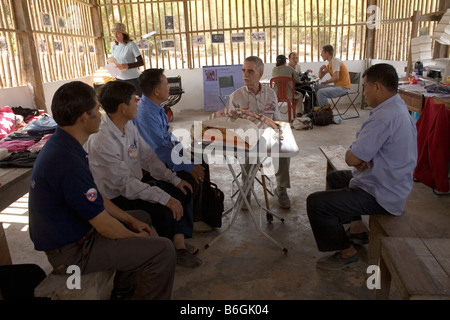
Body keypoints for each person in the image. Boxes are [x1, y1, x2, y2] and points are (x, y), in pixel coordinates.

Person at [28, 81, 176, 300]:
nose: (100, 114)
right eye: (97, 110)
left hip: (80, 236)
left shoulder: (65, 144)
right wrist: (136, 238)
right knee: (162, 250)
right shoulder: (67, 161)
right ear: (83, 117)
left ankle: (123, 291)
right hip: (73, 255)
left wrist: (130, 221)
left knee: (140, 217)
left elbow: (95, 196)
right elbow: (104, 225)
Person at [306, 63, 417, 270]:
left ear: (377, 87)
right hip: (393, 181)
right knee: (336, 178)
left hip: (382, 193)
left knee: (316, 204)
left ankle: (346, 251)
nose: (363, 92)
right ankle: (356, 228)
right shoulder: (397, 106)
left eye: (365, 87)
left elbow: (351, 158)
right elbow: (360, 156)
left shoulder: (384, 117)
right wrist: (362, 158)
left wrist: (359, 158)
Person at [84, 80, 202, 268]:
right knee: (164, 206)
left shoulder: (128, 125)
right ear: (123, 107)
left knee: (183, 190)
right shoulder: (101, 140)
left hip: (134, 183)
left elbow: (148, 156)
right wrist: (165, 198)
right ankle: (174, 248)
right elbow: (125, 185)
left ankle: (177, 242)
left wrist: (175, 179)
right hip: (115, 197)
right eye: (134, 100)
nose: (137, 104)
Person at [133, 69, 215, 231]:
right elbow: (160, 150)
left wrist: (184, 152)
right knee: (193, 170)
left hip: (163, 156)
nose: (169, 87)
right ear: (156, 91)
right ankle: (194, 219)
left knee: (200, 160)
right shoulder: (144, 113)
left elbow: (168, 137)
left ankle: (203, 212)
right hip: (152, 166)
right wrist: (187, 166)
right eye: (166, 84)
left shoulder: (155, 108)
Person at [225, 56, 292, 209]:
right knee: (250, 151)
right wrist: (236, 118)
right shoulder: (236, 97)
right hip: (246, 139)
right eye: (243, 70)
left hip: (268, 136)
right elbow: (228, 126)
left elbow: (276, 120)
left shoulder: (270, 94)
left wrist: (279, 133)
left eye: (250, 71)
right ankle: (247, 188)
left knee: (284, 149)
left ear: (260, 73)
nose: (245, 75)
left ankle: (281, 188)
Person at [110, 22, 144, 97]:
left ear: (123, 34)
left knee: (137, 101)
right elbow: (115, 61)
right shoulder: (114, 47)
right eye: (114, 33)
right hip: (119, 79)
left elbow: (141, 62)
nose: (115, 36)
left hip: (132, 79)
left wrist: (127, 65)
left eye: (118, 33)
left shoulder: (131, 45)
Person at [315, 45, 351, 109]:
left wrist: (326, 82)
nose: (321, 55)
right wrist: (320, 69)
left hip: (343, 88)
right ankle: (318, 109)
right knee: (317, 87)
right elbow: (320, 77)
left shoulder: (335, 61)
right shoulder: (330, 64)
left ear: (327, 53)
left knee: (321, 92)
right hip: (338, 86)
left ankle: (326, 114)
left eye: (322, 52)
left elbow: (336, 77)